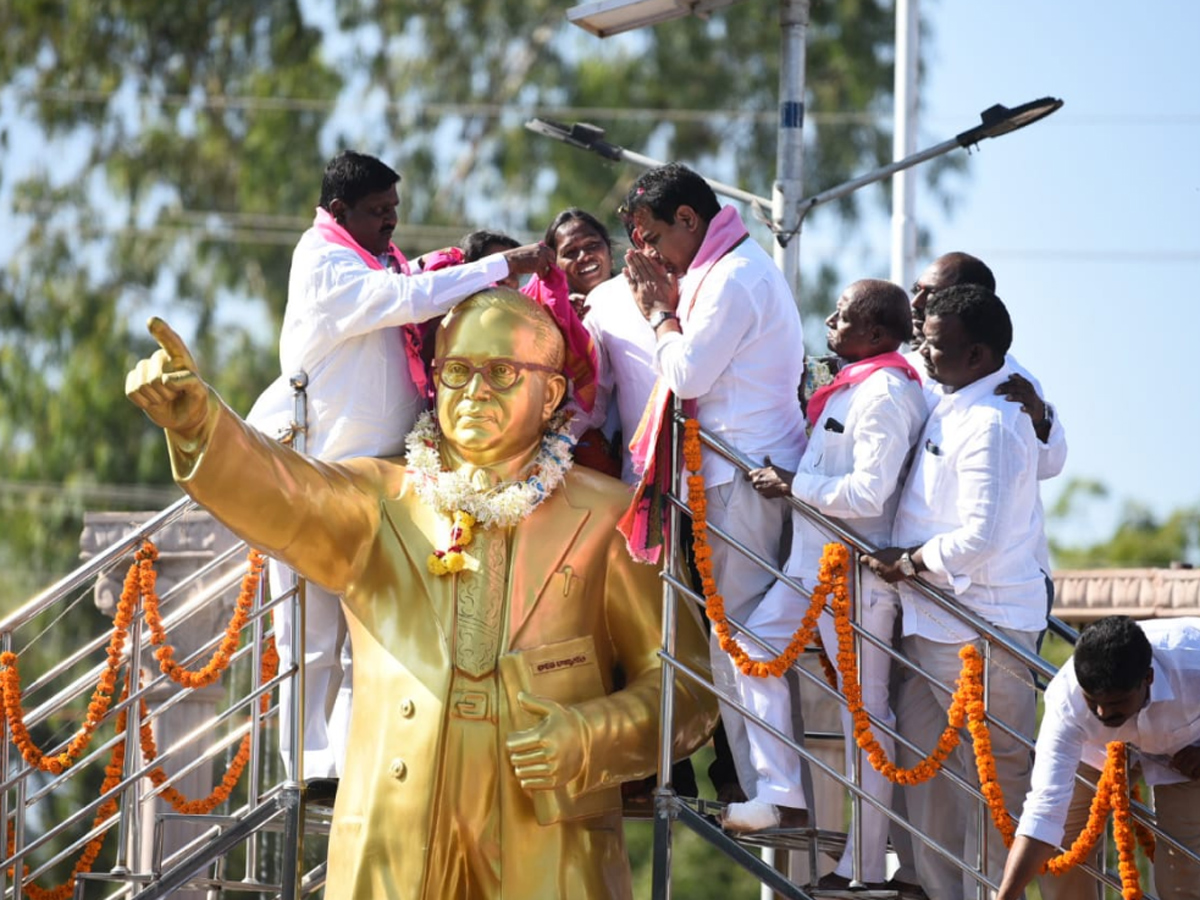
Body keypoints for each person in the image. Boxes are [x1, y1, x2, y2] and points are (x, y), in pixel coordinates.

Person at [126, 289, 718, 900]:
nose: (475, 391)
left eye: (502, 372)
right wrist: (202, 425)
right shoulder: (378, 499)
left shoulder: (610, 517)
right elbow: (283, 493)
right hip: (398, 826)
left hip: (550, 832)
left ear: (551, 395)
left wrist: (590, 736)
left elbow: (688, 689)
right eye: (457, 371)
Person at [245, 150, 553, 783]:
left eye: (394, 210)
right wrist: (502, 264)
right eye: (378, 212)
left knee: (371, 633)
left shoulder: (373, 259)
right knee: (309, 634)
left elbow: (407, 288)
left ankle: (355, 758)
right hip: (314, 475)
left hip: (382, 480)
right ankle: (305, 765)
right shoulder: (324, 261)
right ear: (339, 213)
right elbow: (406, 299)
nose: (390, 222)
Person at [620, 162, 807, 806]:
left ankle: (774, 790)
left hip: (740, 480)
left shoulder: (732, 277)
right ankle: (766, 788)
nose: (646, 254)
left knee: (744, 645)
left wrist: (658, 316)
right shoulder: (722, 267)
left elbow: (690, 374)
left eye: (650, 238)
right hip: (731, 478)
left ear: (689, 220)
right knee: (737, 644)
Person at [734, 280, 927, 884]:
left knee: (864, 719)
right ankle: (781, 789)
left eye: (841, 316)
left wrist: (794, 486)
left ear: (874, 334)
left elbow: (871, 494)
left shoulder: (888, 392)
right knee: (748, 647)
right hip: (811, 567)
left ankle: (865, 869)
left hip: (852, 575)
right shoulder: (857, 384)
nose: (829, 323)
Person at [867, 284, 1048, 900]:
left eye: (936, 345)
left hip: (979, 625)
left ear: (978, 355)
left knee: (998, 783)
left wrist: (912, 562)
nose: (923, 350)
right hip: (929, 621)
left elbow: (981, 537)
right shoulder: (956, 396)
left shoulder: (994, 420)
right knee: (930, 774)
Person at [997, 616, 1200, 900]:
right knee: (1064, 850)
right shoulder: (1066, 699)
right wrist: (1005, 896)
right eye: (1092, 700)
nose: (1103, 713)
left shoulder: (1193, 662)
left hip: (1187, 751)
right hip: (1095, 750)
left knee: (1184, 874)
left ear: (1148, 678)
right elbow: (1044, 811)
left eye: (1115, 701)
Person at [544, 208, 616, 319]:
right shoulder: (549, 321)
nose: (584, 256)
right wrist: (567, 324)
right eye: (570, 252)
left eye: (592, 245)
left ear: (609, 251)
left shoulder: (643, 296)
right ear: (555, 267)